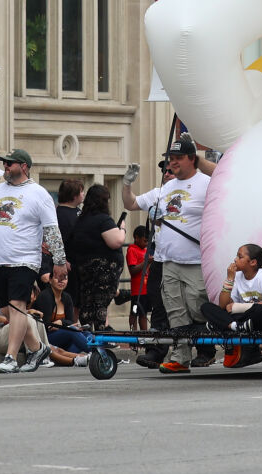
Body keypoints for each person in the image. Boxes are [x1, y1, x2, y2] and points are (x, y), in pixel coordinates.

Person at [0, 148, 68, 374]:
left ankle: (11, 357)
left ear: (24, 166)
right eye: (4, 163)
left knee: (19, 306)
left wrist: (59, 260)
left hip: (25, 260)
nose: (5, 167)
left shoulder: (39, 193)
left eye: (10, 163)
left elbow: (52, 230)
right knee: (8, 310)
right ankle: (37, 348)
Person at [123, 138, 210, 373]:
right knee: (175, 310)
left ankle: (210, 346)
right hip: (168, 261)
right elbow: (131, 204)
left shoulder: (207, 183)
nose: (172, 163)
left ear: (192, 159)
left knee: (197, 306)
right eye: (170, 159)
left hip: (197, 260)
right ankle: (181, 358)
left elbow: (230, 187)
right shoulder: (165, 188)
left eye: (178, 158)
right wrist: (126, 184)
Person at [202, 241, 262, 368]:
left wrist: (239, 307)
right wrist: (229, 279)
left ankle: (225, 325)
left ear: (252, 262)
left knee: (259, 310)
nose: (235, 259)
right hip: (244, 321)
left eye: (240, 257)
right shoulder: (238, 276)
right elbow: (224, 305)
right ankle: (234, 326)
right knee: (206, 307)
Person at [68, 184, 127, 331]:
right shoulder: (103, 220)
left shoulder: (80, 220)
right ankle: (100, 337)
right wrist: (123, 228)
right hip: (104, 271)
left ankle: (89, 336)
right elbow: (116, 241)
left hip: (85, 269)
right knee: (100, 303)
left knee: (87, 304)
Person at [126, 226, 151, 331]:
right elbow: (133, 270)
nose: (146, 244)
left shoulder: (145, 250)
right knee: (134, 312)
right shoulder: (132, 250)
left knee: (143, 314)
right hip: (137, 290)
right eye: (145, 241)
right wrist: (146, 261)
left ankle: (144, 336)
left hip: (146, 289)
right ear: (136, 238)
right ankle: (133, 334)